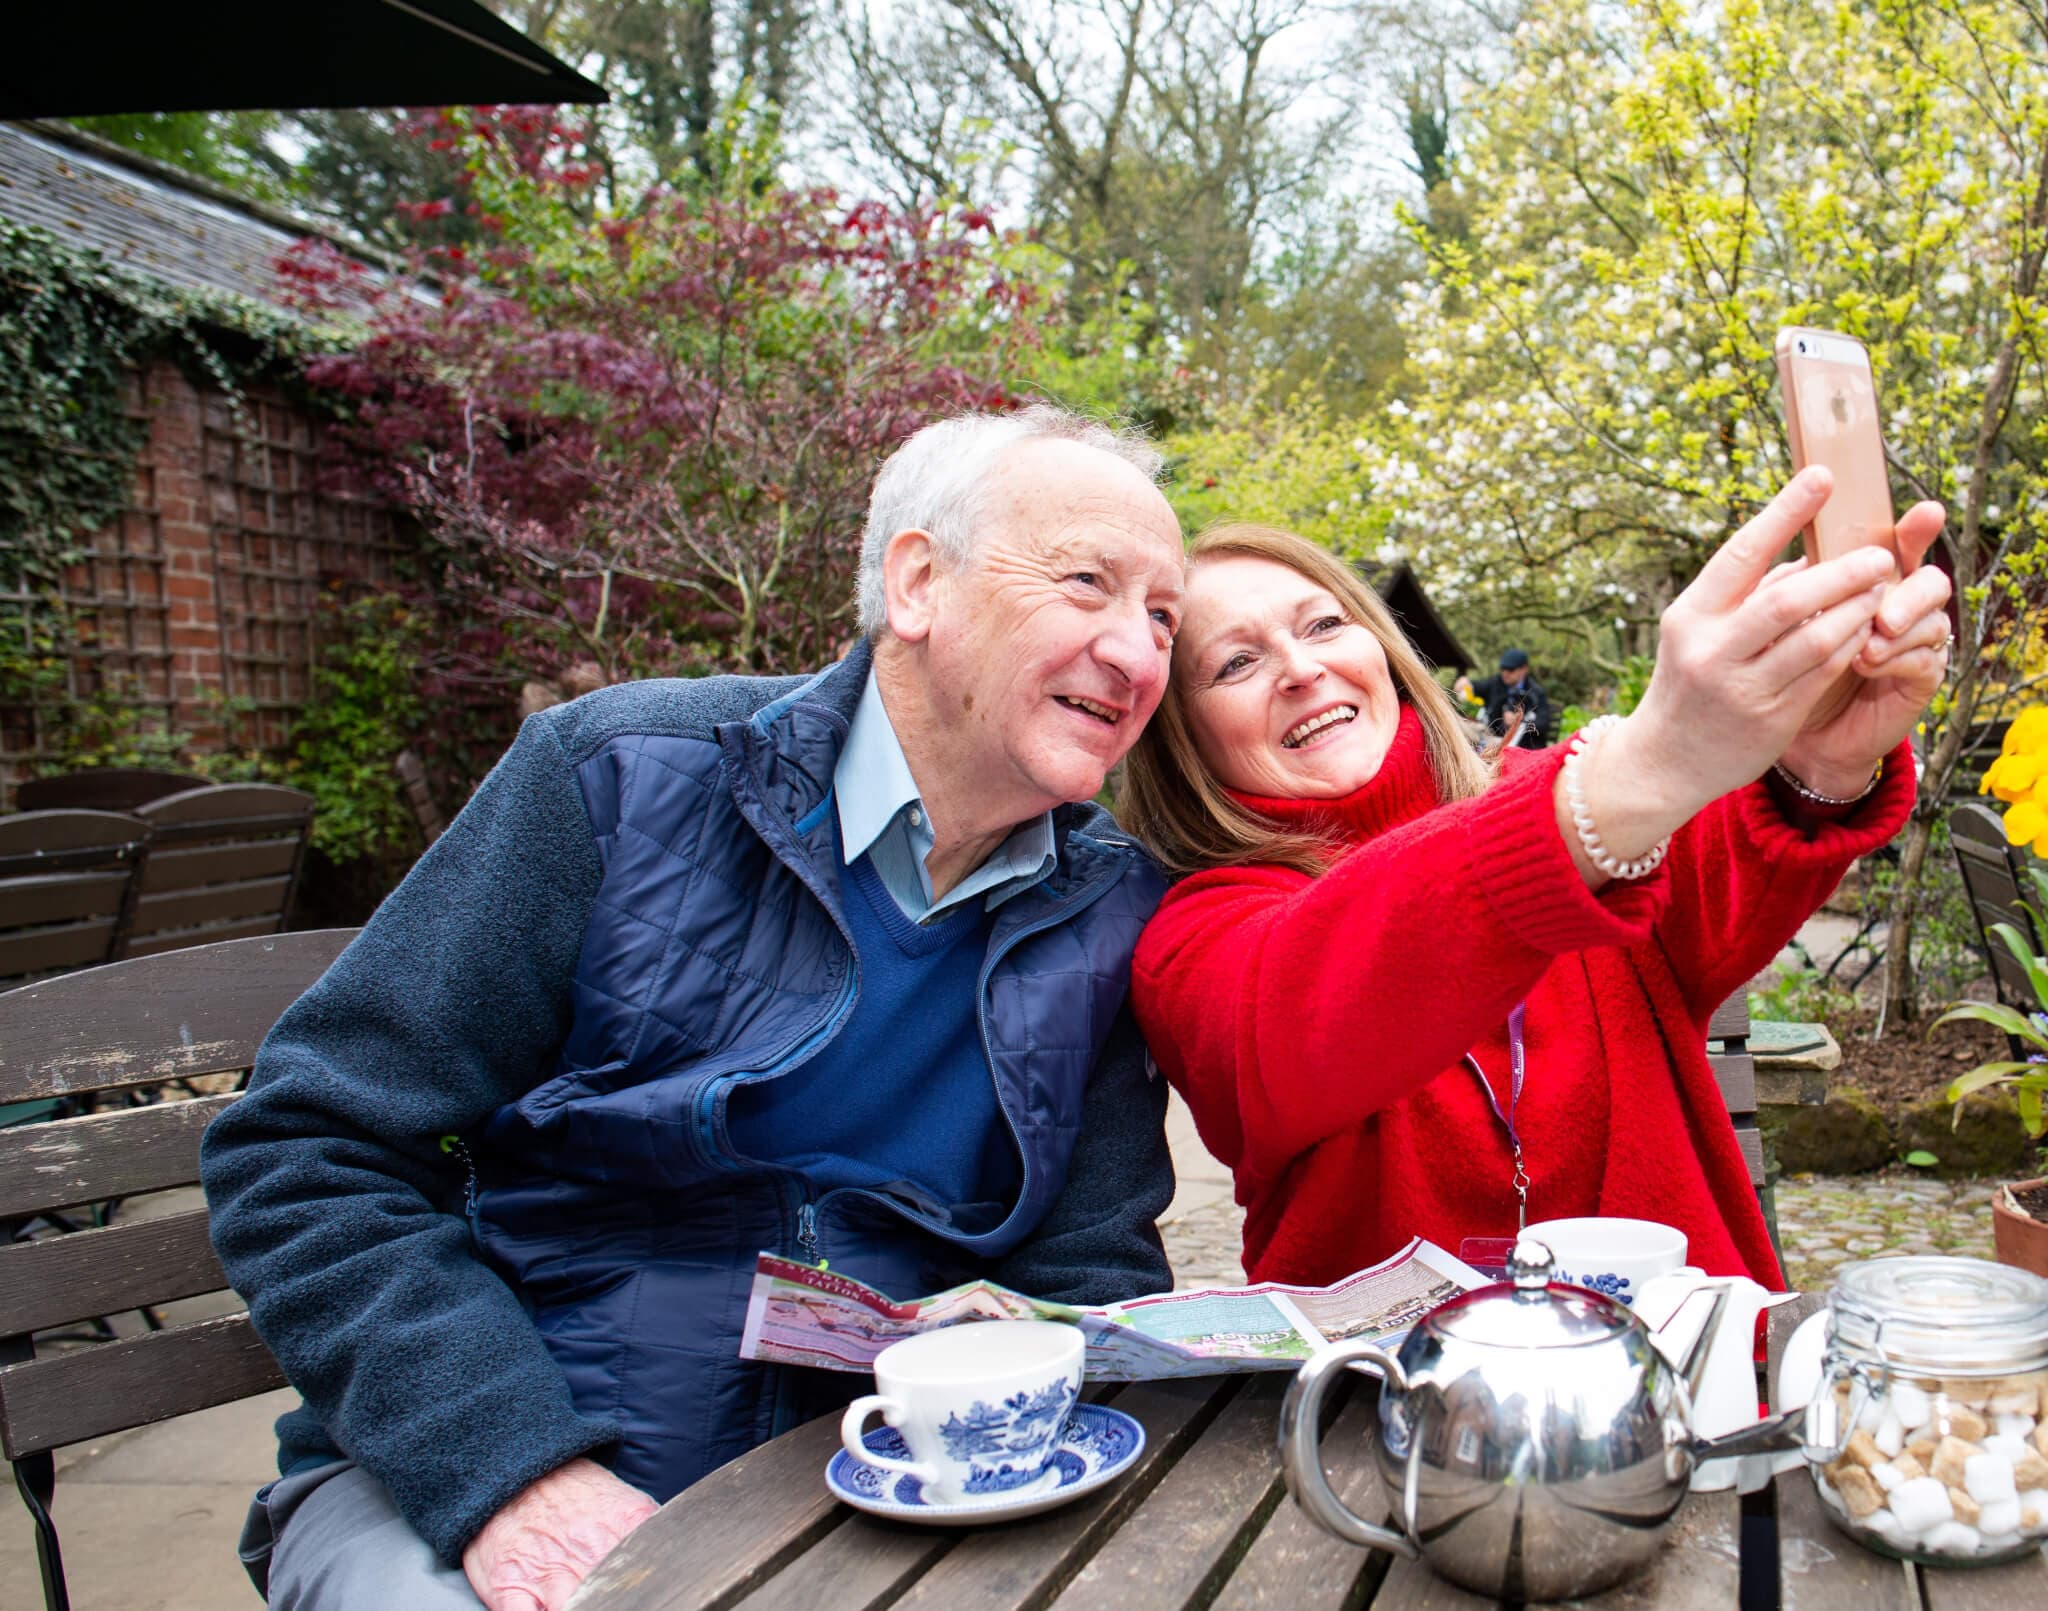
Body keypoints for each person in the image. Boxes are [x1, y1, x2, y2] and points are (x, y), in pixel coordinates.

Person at [199, 404, 1189, 1611]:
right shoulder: (618, 777)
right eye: (1087, 583)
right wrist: (514, 1476)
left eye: (1161, 618)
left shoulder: (1109, 913)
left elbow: (1085, 1271)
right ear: (919, 583)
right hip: (474, 1476)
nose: (1136, 653)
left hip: (866, 1499)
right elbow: (305, 1152)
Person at [1117, 468, 1951, 1293]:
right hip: (1374, 1415)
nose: (1301, 669)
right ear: (1184, 739)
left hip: (1689, 1388)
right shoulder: (1196, 940)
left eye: (1325, 623)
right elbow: (1316, 990)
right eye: (1235, 665)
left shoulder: (1564, 794)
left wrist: (1824, 758)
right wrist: (1636, 776)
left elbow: (1736, 862)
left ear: (1381, 645)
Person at [1457, 648, 1552, 753]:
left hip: (1521, 747)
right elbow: (1477, 686)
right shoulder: (1496, 682)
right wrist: (1466, 683)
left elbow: (1544, 723)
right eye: (1503, 669)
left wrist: (1519, 721)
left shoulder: (1536, 693)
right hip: (1492, 741)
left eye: (1510, 670)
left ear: (1524, 669)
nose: (1505, 673)